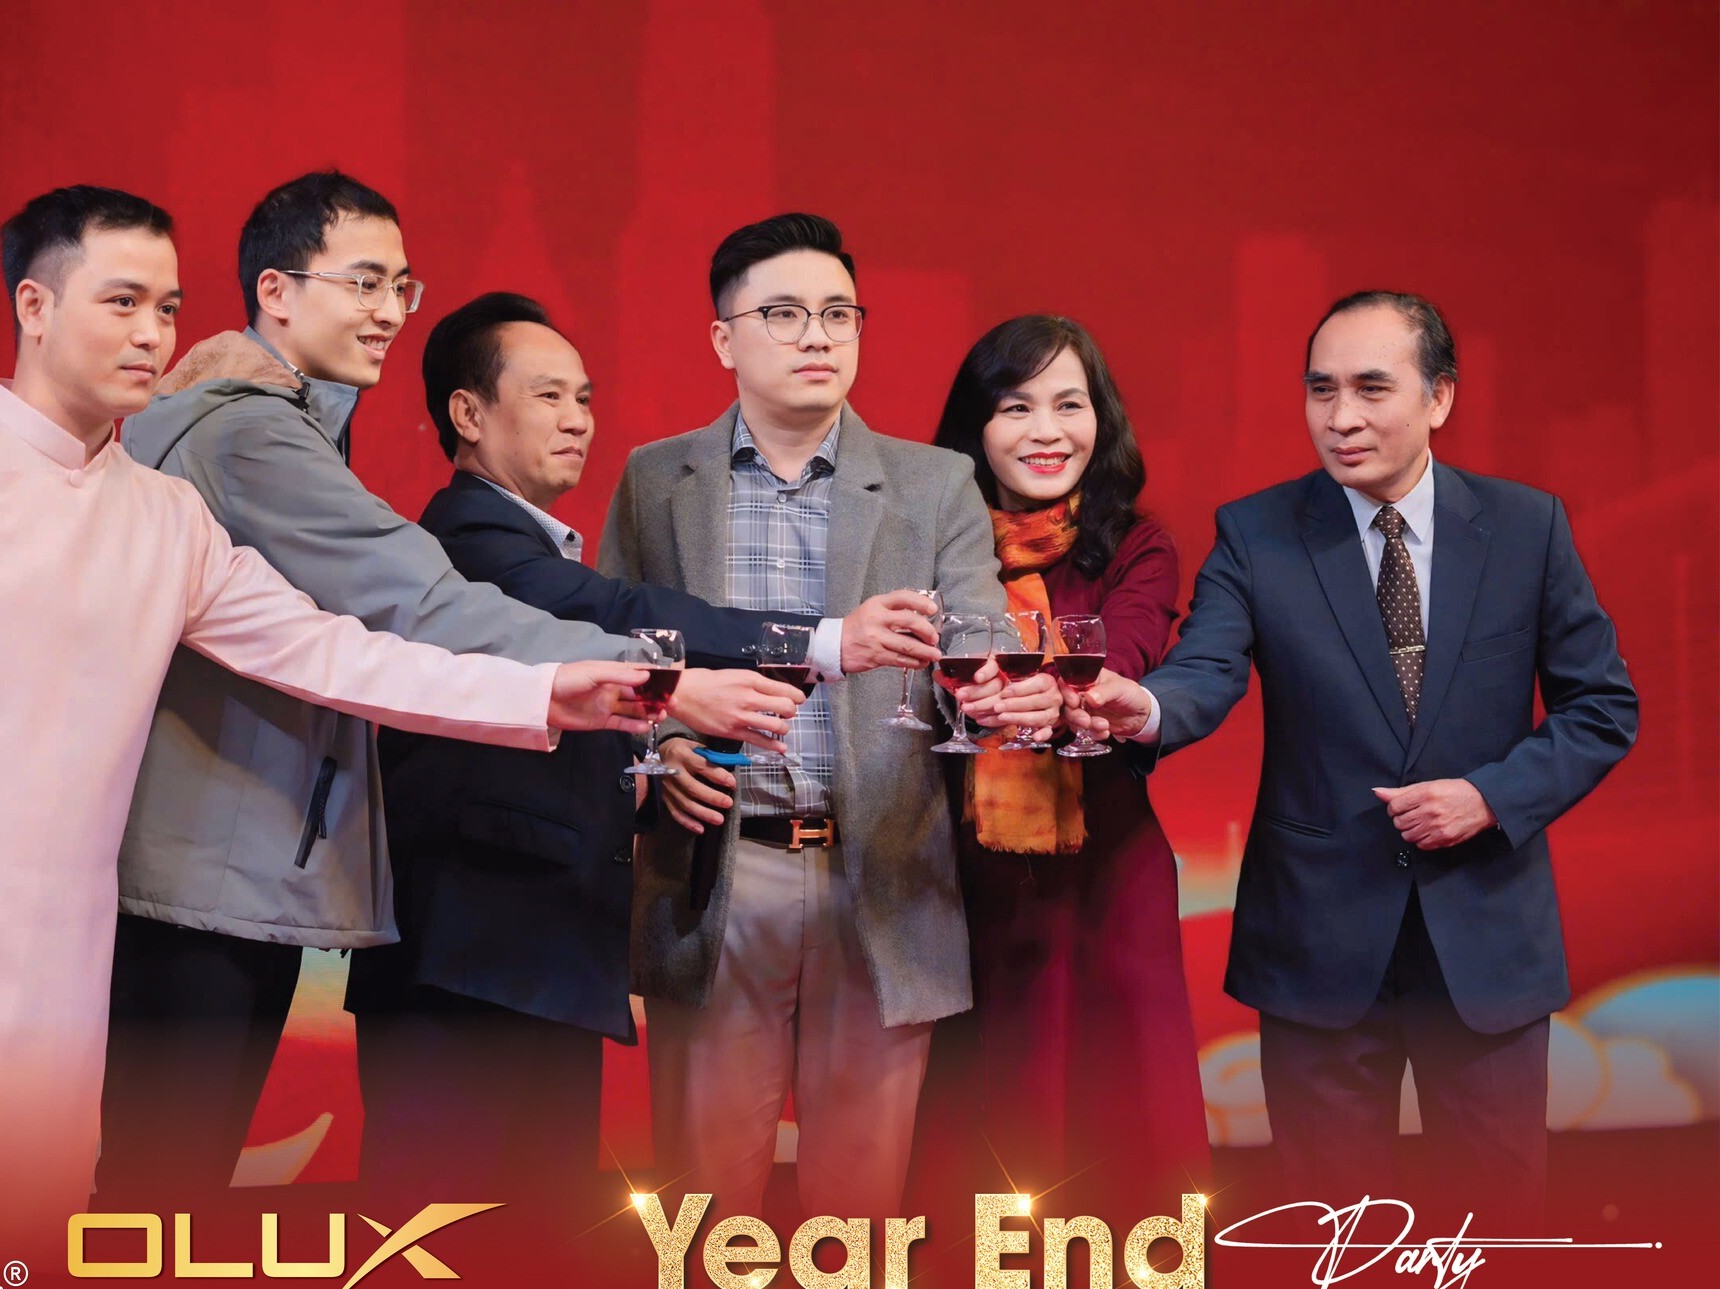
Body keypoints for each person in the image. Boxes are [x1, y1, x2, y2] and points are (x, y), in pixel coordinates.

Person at [0, 185, 646, 1264]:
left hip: (68, 946)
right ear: (34, 306)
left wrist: (550, 692)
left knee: (35, 1252)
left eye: (166, 309)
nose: (152, 335)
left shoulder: (167, 518)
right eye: (121, 302)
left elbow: (336, 654)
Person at [97, 173, 785, 1201]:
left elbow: (341, 649)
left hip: (238, 877)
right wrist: (664, 686)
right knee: (163, 1196)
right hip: (217, 881)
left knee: (168, 1194)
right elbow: (425, 606)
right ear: (277, 291)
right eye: (364, 282)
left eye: (400, 286)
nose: (388, 310)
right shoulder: (252, 436)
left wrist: (649, 733)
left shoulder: (275, 428)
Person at [352, 291, 941, 1207]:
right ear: (467, 412)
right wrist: (823, 640)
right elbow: (624, 613)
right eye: (548, 395)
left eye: (584, 398)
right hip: (470, 967)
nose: (577, 419)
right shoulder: (472, 539)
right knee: (436, 1240)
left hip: (536, 962)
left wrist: (657, 759)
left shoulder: (531, 541)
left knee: (531, 1251)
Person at [1066, 291, 1637, 1225]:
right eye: (1320, 389)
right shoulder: (1257, 532)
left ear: (1440, 397)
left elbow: (1603, 706)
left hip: (1486, 939)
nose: (1341, 417)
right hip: (1316, 943)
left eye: (1372, 388)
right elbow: (1205, 668)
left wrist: (1490, 797)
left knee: (1493, 1239)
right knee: (1334, 1245)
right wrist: (1150, 706)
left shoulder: (1526, 528)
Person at [599, 212, 1043, 1220]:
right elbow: (616, 652)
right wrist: (665, 738)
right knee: (704, 1210)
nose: (817, 336)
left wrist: (990, 690)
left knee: (860, 1213)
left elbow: (977, 638)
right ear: (724, 339)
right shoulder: (657, 479)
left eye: (839, 314)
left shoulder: (934, 483)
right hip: (720, 868)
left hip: (880, 866)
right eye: (786, 314)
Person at [912, 315, 1209, 1219]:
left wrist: (1060, 691)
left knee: (1128, 1138)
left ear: (1101, 418)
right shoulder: (929, 546)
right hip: (956, 885)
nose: (1047, 430)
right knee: (978, 1141)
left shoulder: (1136, 545)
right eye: (1016, 407)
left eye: (1069, 404)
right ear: (976, 427)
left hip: (1106, 878)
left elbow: (1129, 647)